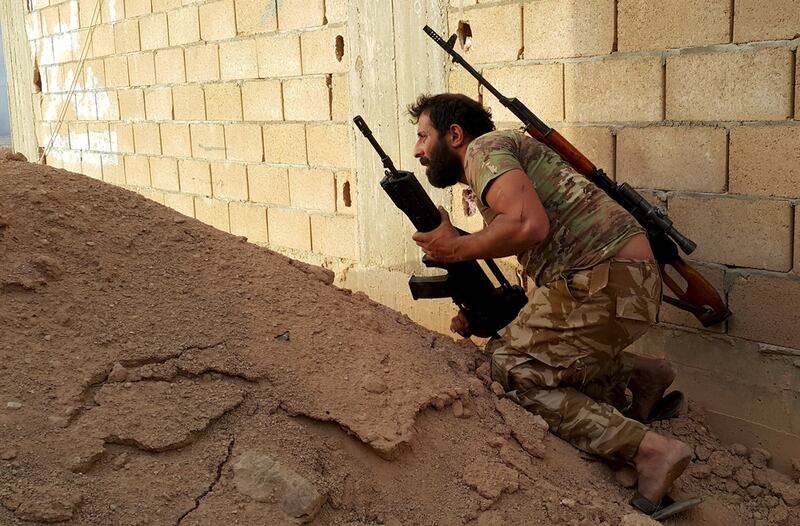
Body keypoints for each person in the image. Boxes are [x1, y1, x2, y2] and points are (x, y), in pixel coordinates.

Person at [407, 93, 700, 520]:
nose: (417, 150)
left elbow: (528, 224)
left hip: (605, 279)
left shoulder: (485, 150)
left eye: (422, 136)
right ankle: (643, 375)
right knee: (539, 357)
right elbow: (532, 237)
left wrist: (456, 249)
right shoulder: (500, 163)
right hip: (616, 281)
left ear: (454, 135)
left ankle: (650, 451)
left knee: (512, 370)